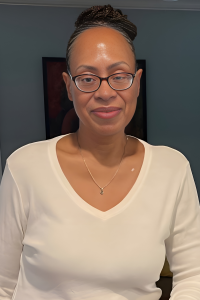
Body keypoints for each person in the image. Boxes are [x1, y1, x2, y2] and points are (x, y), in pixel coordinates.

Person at [0, 4, 200, 300]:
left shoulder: (172, 169)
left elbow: (193, 275)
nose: (105, 92)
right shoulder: (24, 167)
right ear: (69, 87)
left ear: (137, 83)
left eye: (119, 76)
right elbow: (3, 283)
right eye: (87, 78)